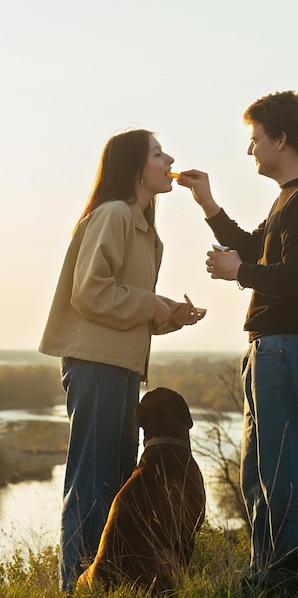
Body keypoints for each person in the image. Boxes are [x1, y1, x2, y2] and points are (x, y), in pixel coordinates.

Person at [177, 91, 298, 571]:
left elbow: (297, 278)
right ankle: (268, 578)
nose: (250, 150)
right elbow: (255, 247)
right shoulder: (290, 198)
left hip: (290, 349)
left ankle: (289, 582)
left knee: (285, 479)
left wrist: (238, 273)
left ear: (282, 139)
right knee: (260, 480)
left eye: (255, 140)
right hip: (272, 351)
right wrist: (207, 203)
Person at [39, 129, 206, 593]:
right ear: (135, 168)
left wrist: (167, 313)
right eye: (158, 153)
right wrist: (150, 305)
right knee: (94, 485)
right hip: (96, 364)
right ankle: (77, 586)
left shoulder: (143, 228)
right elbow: (90, 292)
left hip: (118, 365)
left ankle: (107, 586)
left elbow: (122, 301)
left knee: (112, 485)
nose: (169, 158)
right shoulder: (112, 215)